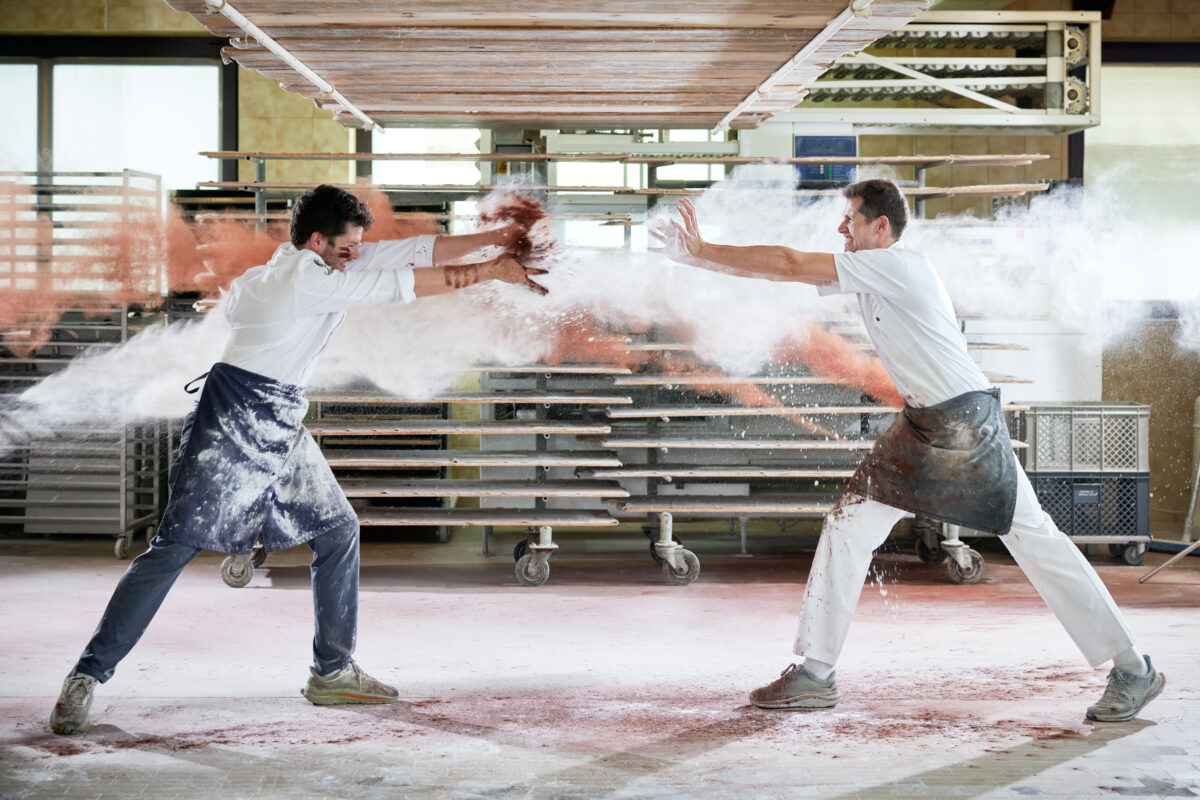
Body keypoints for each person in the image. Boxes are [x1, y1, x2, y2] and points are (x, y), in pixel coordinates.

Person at [651, 178, 1164, 723]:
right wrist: (700, 264)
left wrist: (701, 252)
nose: (841, 228)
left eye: (850, 219)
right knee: (848, 527)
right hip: (924, 423)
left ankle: (1133, 668)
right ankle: (815, 674)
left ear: (881, 227)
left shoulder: (897, 264)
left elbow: (787, 263)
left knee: (1036, 541)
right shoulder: (871, 274)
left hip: (965, 424)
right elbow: (786, 273)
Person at [50, 184, 548, 735]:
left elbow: (418, 253)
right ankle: (86, 675)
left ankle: (332, 671)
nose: (356, 253)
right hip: (234, 419)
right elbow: (404, 285)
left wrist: (498, 240)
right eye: (346, 247)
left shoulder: (318, 262)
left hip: (281, 417)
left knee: (337, 531)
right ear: (317, 241)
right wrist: (492, 273)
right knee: (174, 548)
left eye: (357, 246)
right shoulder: (298, 281)